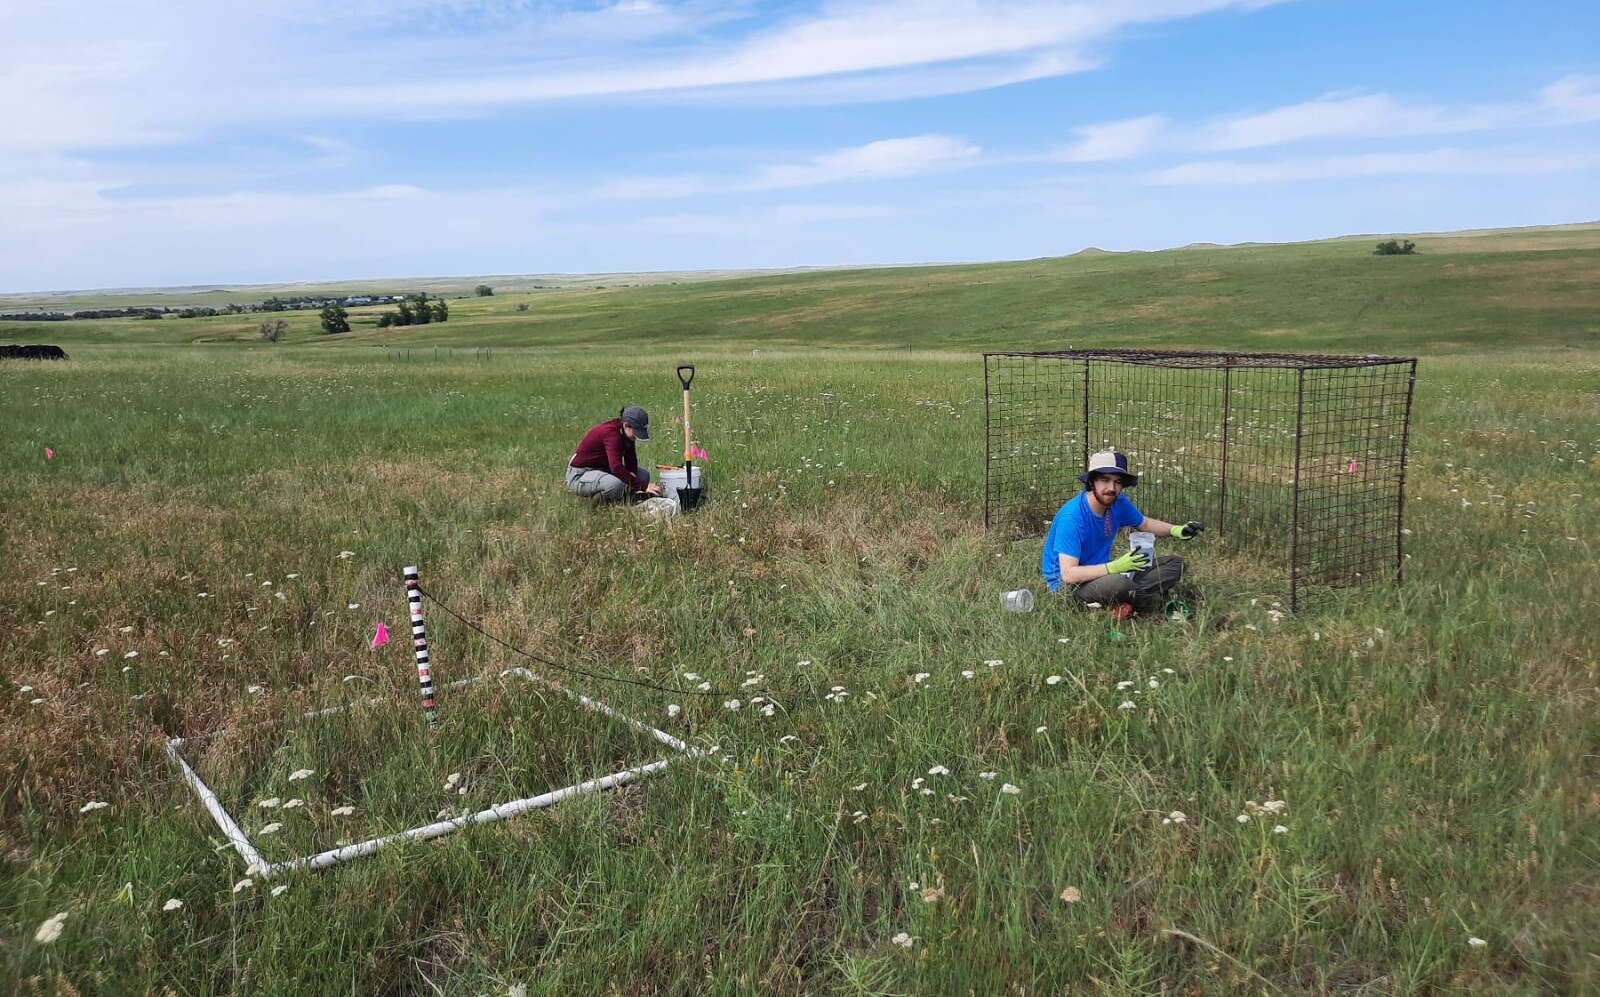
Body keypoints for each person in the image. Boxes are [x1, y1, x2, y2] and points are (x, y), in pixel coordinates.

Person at [1041, 450, 1205, 616]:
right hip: (1070, 588)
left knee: (1175, 564)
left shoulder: (1118, 503)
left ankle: (1125, 601)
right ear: (1092, 482)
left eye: (1118, 482)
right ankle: (1147, 601)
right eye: (1105, 480)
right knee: (1120, 584)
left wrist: (1176, 530)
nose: (1111, 488)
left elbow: (1145, 524)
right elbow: (1069, 574)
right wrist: (1116, 567)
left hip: (1103, 574)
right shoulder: (1073, 517)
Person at [566, 406, 664, 504]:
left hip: (603, 469)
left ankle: (624, 499)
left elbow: (631, 459)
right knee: (615, 484)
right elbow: (616, 467)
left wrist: (632, 475)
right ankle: (599, 504)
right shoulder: (612, 435)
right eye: (636, 432)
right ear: (626, 425)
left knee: (643, 476)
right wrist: (643, 486)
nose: (637, 436)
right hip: (581, 474)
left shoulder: (625, 432)